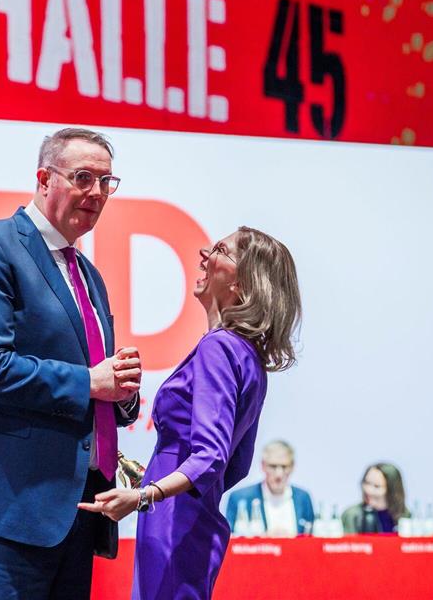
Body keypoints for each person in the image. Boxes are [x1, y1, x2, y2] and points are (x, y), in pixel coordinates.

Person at [0, 128, 142, 599]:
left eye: (106, 182)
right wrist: (90, 381)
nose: (96, 192)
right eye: (83, 177)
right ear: (44, 179)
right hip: (2, 510)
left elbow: (92, 382)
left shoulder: (88, 274)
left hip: (75, 512)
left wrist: (120, 394)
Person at [80, 227, 302, 600]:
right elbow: (235, 464)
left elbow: (213, 456)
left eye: (221, 250)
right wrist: (157, 475)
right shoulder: (248, 357)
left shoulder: (219, 348)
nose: (204, 253)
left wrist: (147, 494)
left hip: (173, 522)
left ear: (242, 285)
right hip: (192, 516)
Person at [225, 440, 314, 536]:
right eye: (273, 466)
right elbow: (230, 539)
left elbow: (312, 536)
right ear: (263, 465)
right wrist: (264, 538)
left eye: (284, 467)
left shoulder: (303, 498)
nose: (279, 474)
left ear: (292, 466)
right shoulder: (240, 498)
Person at [342, 462, 410, 534]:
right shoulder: (352, 515)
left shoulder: (405, 515)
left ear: (392, 490)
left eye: (376, 486)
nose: (368, 490)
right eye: (366, 483)